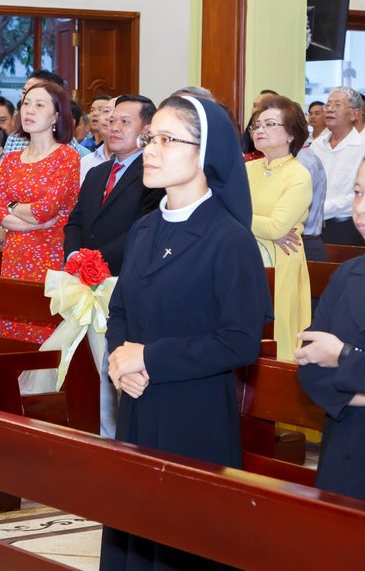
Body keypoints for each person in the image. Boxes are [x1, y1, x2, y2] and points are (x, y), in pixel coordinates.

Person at [100, 96, 271, 571]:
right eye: (149, 137)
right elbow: (120, 311)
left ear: (204, 153)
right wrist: (119, 361)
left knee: (183, 544)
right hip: (137, 407)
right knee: (134, 536)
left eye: (166, 139)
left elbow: (239, 340)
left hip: (194, 420)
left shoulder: (229, 238)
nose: (150, 149)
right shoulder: (144, 229)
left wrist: (148, 358)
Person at [0, 81, 80, 343]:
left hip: (49, 256)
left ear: (56, 116)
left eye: (40, 105)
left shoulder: (67, 157)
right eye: (26, 103)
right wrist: (29, 220)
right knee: (12, 331)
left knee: (45, 333)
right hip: (14, 256)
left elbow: (45, 210)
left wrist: (14, 207)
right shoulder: (11, 160)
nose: (29, 110)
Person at [295, 157, 365, 500]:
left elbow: (330, 354)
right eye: (358, 193)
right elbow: (310, 369)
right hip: (345, 444)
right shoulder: (347, 274)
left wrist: (342, 354)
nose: (360, 208)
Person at [64, 95, 162, 275]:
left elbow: (143, 231)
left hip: (125, 275)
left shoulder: (155, 176)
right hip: (82, 276)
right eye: (112, 121)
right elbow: (75, 222)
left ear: (147, 131)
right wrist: (73, 256)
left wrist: (93, 261)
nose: (114, 128)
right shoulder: (96, 173)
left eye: (125, 122)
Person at [246, 95, 312, 361]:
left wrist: (240, 218)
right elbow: (222, 212)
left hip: (280, 260)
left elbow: (276, 228)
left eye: (270, 124)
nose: (259, 130)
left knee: (277, 331)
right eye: (257, 125)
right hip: (245, 255)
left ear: (291, 134)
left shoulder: (298, 175)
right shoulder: (247, 168)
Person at [310, 88, 365, 246]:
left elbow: (358, 194)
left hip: (347, 228)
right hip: (313, 226)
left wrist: (322, 208)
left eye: (337, 105)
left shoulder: (362, 146)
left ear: (354, 114)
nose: (330, 109)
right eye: (328, 105)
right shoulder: (316, 146)